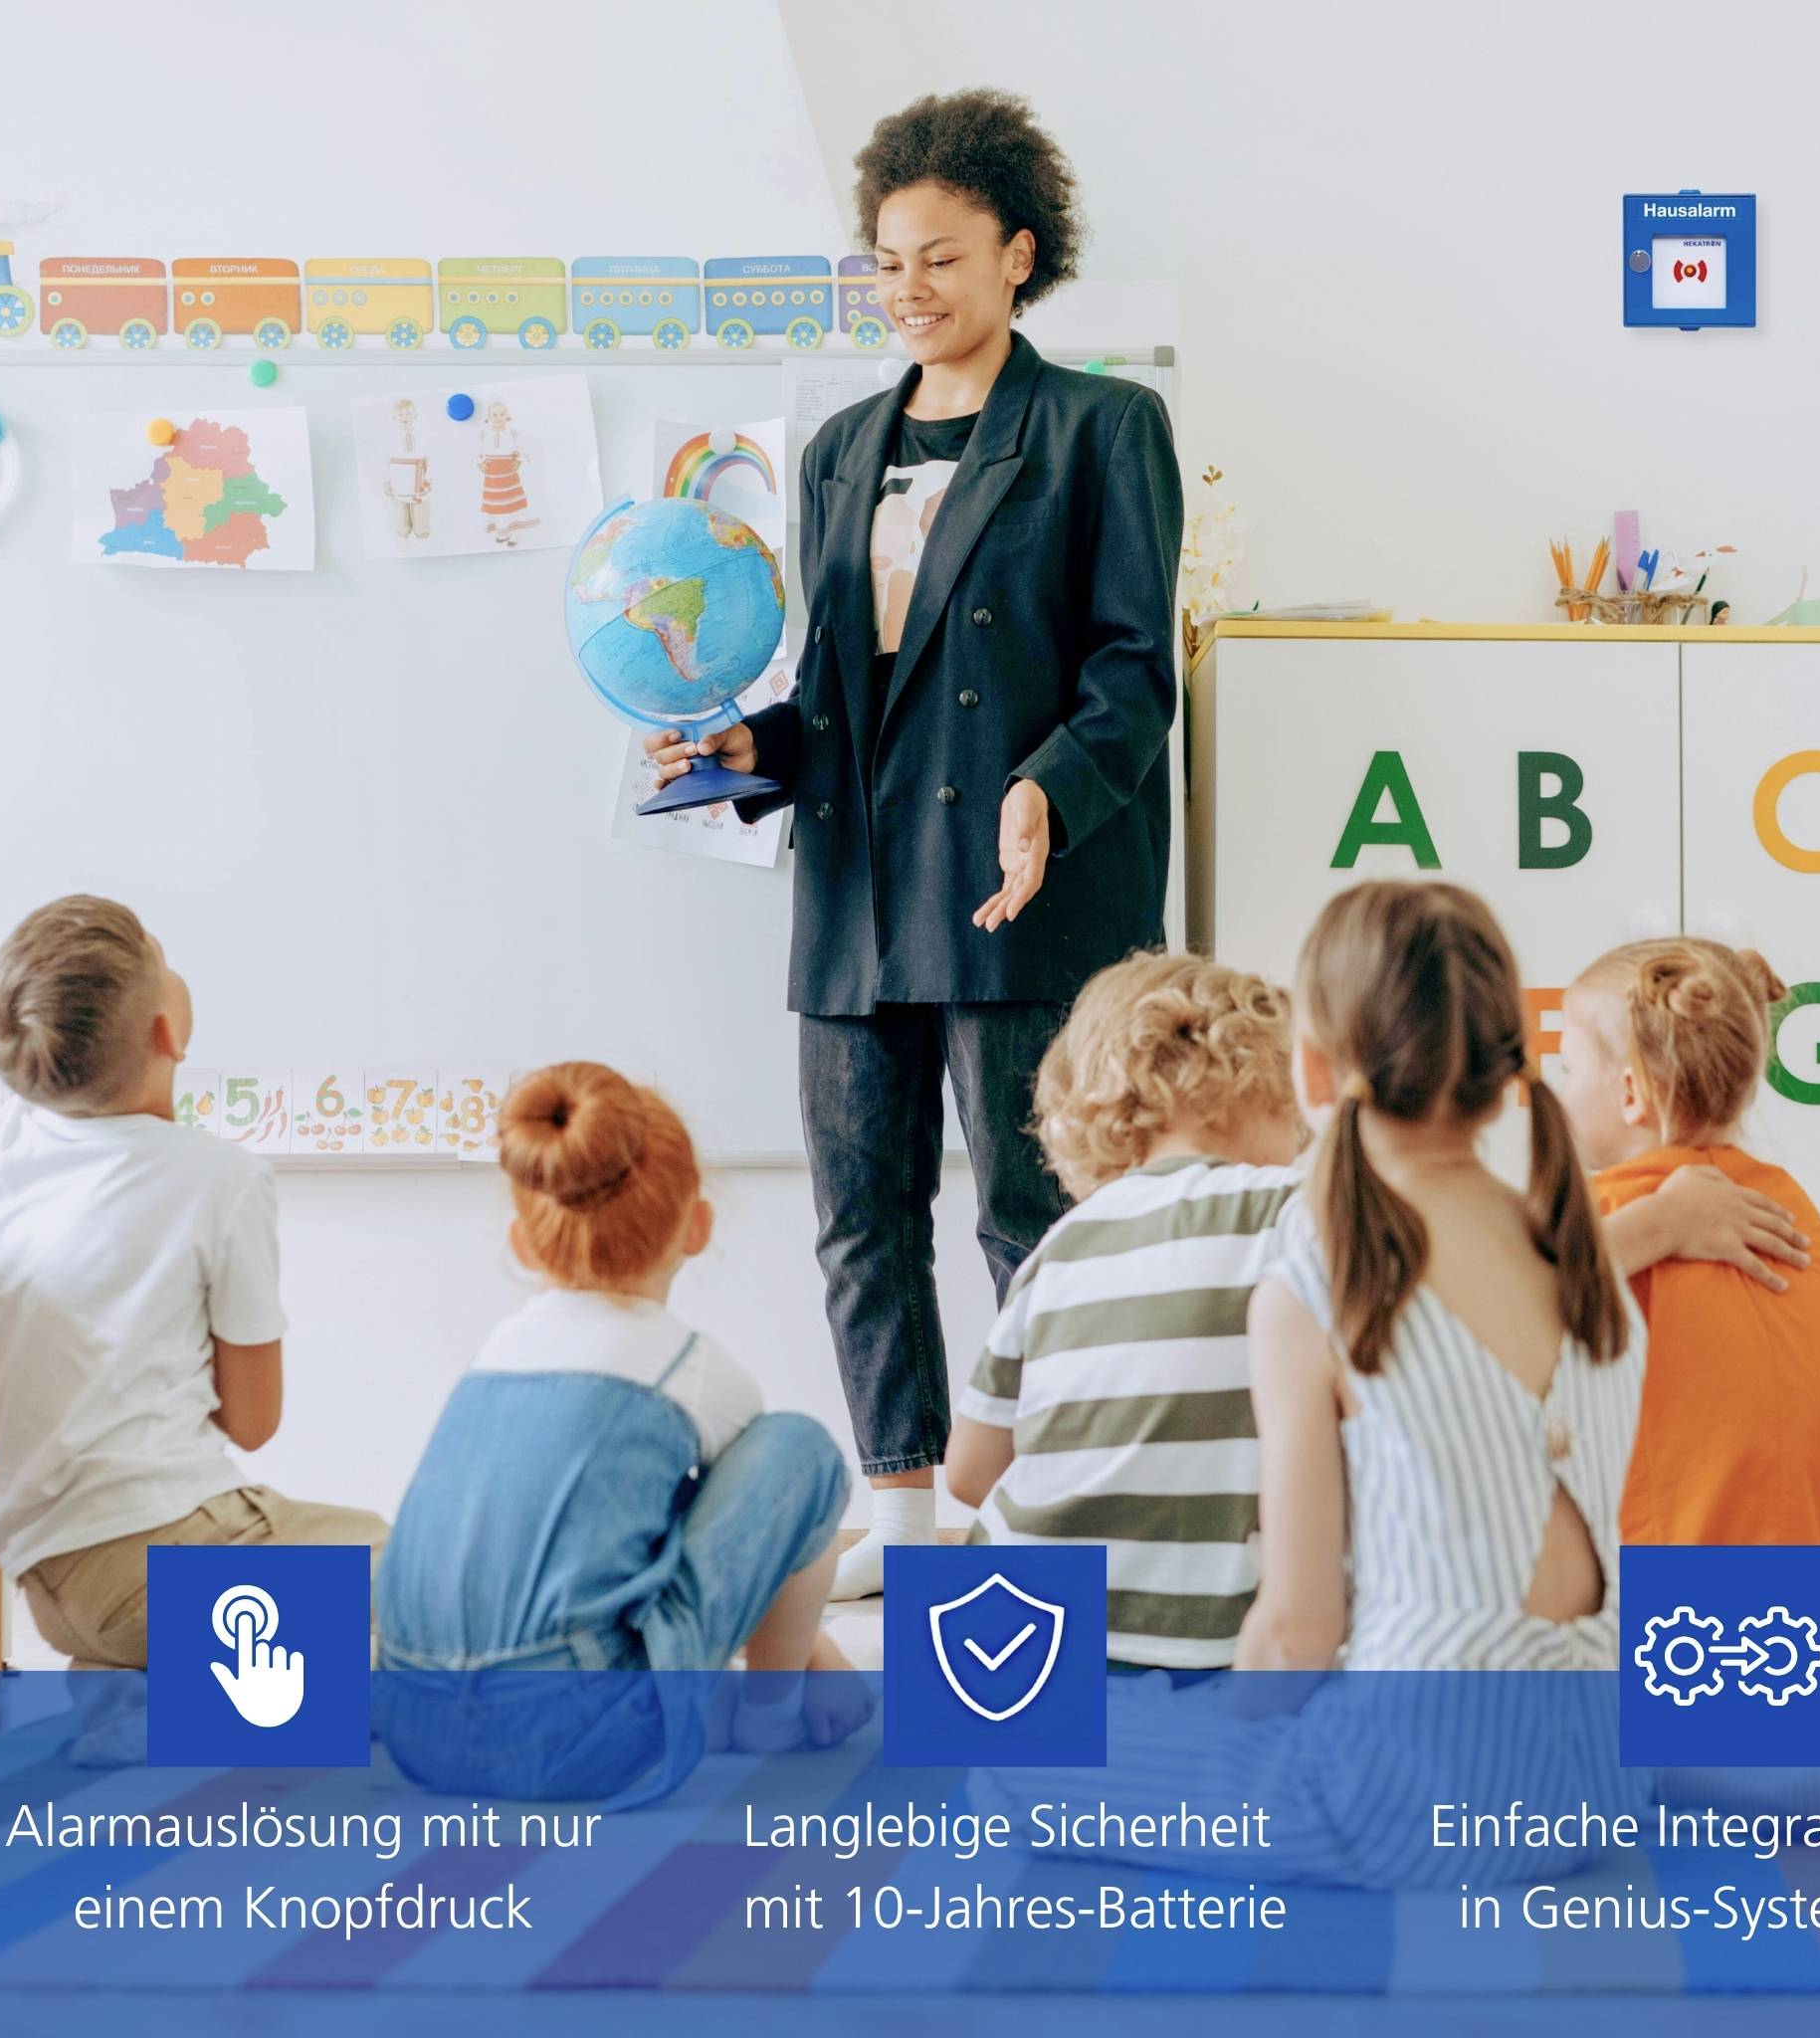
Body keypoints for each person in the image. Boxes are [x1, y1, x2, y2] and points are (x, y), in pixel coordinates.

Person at [644, 91, 1183, 1599]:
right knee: (860, 1218)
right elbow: (839, 697)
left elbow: (1136, 668)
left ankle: (1053, 1515)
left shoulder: (1098, 429)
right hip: (857, 894)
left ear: (1020, 254)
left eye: (939, 259)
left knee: (1035, 1217)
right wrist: (751, 748)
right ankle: (909, 1520)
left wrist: (1052, 787)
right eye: (887, 262)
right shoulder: (838, 451)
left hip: (1025, 893)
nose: (908, 290)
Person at [974, 882, 1652, 1889]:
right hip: (1594, 1778)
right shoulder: (1582, 1256)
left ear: (1311, 1070)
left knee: (1009, 1771)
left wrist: (1229, 1751)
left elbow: (1295, 1629)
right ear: (1506, 1057)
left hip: (1406, 1801)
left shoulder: (1320, 1276)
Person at [372, 1062, 865, 1801]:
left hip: (410, 1717)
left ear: (523, 1242)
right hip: (576, 1740)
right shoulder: (691, 1370)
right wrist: (805, 1647)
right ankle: (771, 1714)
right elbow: (755, 1535)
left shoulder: (492, 1356)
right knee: (801, 1453)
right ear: (697, 1225)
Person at [0, 895, 384, 1671]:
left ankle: (121, 1706)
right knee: (410, 1573)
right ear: (168, 1032)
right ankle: (247, 1733)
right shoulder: (220, 1179)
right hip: (171, 1563)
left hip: (51, 1583)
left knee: (166, 1624)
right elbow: (253, 1421)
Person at [1552, 937, 1820, 1671]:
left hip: (1713, 1632)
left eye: (1567, 1067)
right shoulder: (1787, 1202)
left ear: (1631, 1093)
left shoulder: (1595, 1216)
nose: (1558, 1086)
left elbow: (1482, 1325)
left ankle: (1794, 1776)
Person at [944, 953, 1302, 1672]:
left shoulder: (1058, 1250)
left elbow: (968, 1471)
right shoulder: (1290, 1212)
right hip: (1199, 1640)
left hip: (1018, 1630)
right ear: (1249, 1084)